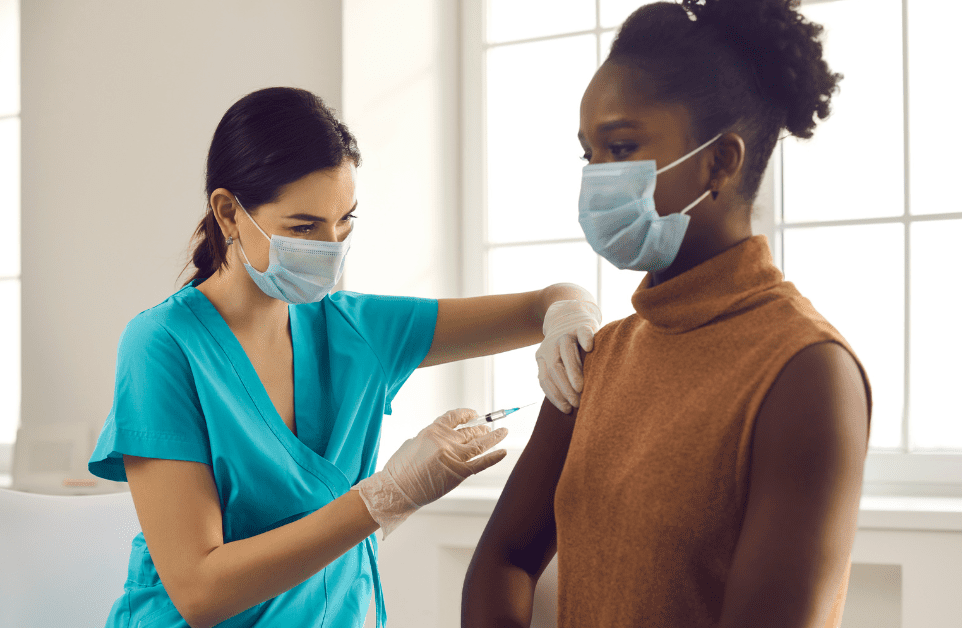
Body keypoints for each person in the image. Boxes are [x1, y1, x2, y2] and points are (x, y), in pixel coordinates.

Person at [87, 87, 603, 628]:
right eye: (304, 227)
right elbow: (199, 591)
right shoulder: (163, 345)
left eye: (346, 221)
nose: (331, 247)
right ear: (228, 213)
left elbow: (545, 302)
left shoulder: (357, 328)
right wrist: (385, 497)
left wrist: (571, 313)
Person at [463, 1, 872, 627]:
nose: (597, 178)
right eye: (588, 154)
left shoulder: (805, 375)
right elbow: (504, 563)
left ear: (720, 162)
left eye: (621, 147)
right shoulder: (598, 358)